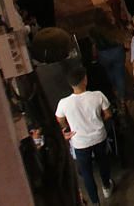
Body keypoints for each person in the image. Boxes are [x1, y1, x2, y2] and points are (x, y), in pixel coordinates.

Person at [55, 67, 114, 206]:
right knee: (103, 163)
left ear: (71, 84)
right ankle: (106, 187)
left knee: (86, 173)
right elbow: (108, 114)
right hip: (99, 136)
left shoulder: (63, 103)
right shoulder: (98, 95)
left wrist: (66, 129)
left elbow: (59, 119)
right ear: (85, 80)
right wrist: (101, 119)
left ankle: (95, 202)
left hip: (80, 142)